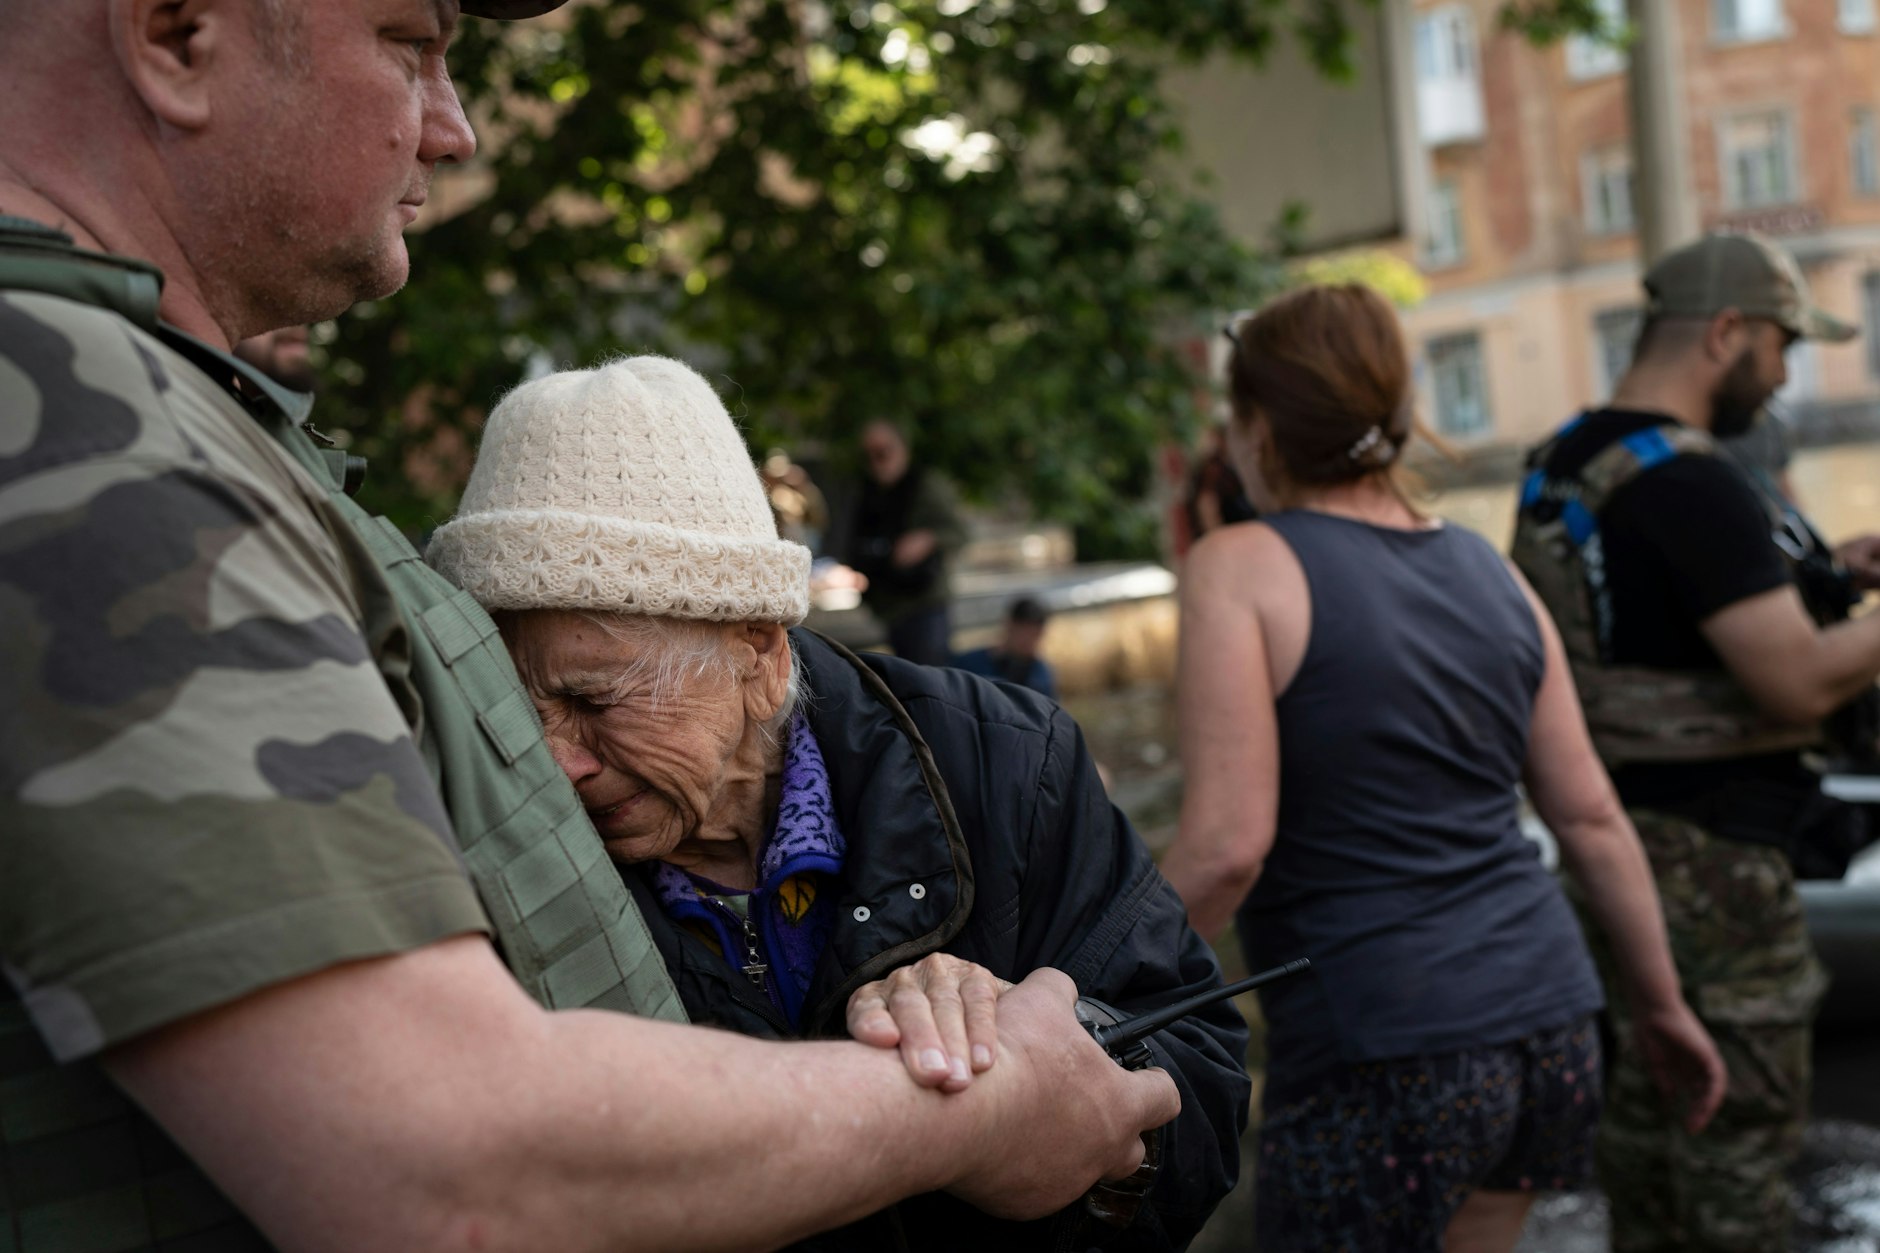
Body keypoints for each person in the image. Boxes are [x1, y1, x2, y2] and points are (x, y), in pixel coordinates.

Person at [0, 3, 1185, 1250]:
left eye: (603, 695)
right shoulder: (82, 437)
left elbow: (1183, 1055)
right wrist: (971, 1112)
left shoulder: (145, 408)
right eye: (412, 42)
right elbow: (441, 1165)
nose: (453, 129)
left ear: (758, 648)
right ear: (179, 32)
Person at [426, 355, 1250, 1250]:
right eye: (514, 711)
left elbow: (1202, 1078)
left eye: (592, 701)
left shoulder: (1005, 759)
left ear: (758, 653)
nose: (553, 764)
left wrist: (1057, 1057)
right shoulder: (481, 851)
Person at [1159, 284, 1725, 1253]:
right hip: (1552, 1023)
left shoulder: (1238, 564)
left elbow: (1224, 847)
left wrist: (1080, 985)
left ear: (1254, 427)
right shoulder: (1487, 568)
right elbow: (1588, 815)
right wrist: (1661, 1005)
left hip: (1384, 1042)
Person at [1511, 232, 1880, 1252]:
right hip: (1710, 865)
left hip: (1605, 851)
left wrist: (1823, 577)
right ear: (1726, 332)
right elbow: (1793, 676)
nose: (1784, 371)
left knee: (1641, 1129)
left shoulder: (1565, 462)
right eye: (1779, 343)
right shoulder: (1691, 482)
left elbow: (1643, 617)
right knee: (1735, 1145)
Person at [838, 419, 965, 665]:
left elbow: (959, 532)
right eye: (869, 455)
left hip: (925, 603)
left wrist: (927, 539)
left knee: (930, 682)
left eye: (883, 452)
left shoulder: (925, 485)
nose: (876, 461)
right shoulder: (866, 491)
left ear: (902, 448)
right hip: (888, 605)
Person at [953, 596, 1059, 700]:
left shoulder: (1041, 675)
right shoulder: (969, 665)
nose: (1028, 640)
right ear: (1008, 625)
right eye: (1023, 632)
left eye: (1034, 635)